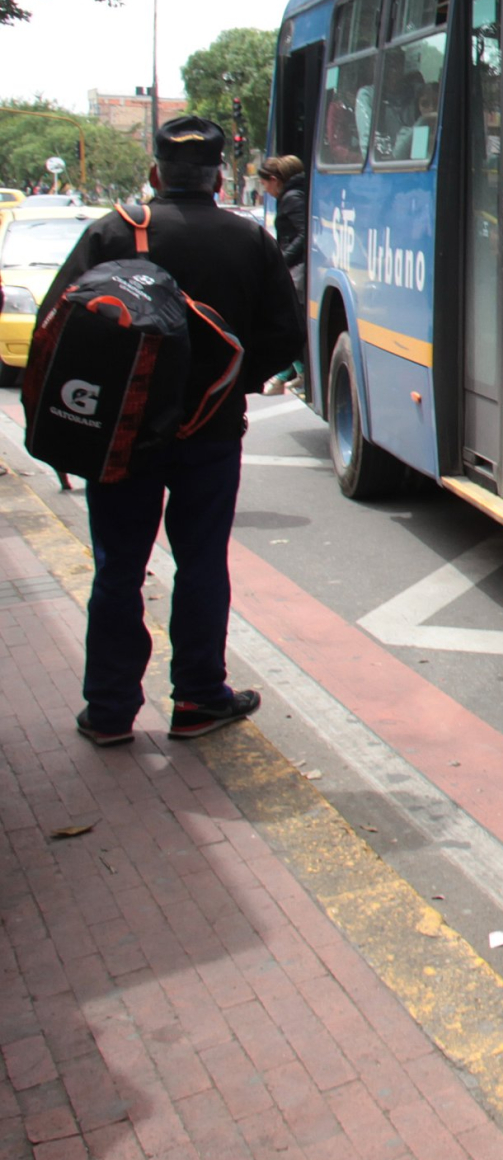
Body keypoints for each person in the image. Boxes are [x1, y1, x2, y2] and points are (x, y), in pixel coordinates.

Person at [44, 117, 304, 746]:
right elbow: (285, 338)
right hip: (210, 431)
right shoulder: (249, 240)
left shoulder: (112, 231)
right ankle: (197, 698)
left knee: (118, 569)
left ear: (157, 173)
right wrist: (228, 384)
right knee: (201, 563)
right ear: (219, 177)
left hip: (122, 436)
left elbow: (60, 325)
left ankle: (108, 711)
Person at [259, 154, 310, 393]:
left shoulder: (291, 198)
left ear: (274, 179)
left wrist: (284, 259)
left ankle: (291, 373)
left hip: (296, 269)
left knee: (288, 319)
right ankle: (292, 372)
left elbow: (303, 232)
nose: (264, 189)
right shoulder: (292, 196)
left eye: (265, 183)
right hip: (294, 267)